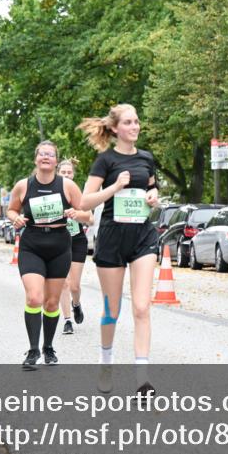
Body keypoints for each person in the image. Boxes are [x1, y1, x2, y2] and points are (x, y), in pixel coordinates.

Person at [78, 104, 160, 395]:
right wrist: (114, 188)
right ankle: (106, 362)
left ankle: (142, 378)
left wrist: (153, 197)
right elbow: (85, 202)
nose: (135, 127)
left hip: (142, 235)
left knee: (141, 306)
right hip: (112, 236)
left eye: (137, 121)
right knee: (112, 309)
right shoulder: (105, 161)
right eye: (128, 122)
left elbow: (152, 189)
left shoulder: (147, 158)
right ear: (115, 129)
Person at [6, 141, 83, 369]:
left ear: (56, 161)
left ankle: (48, 347)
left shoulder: (68, 186)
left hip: (59, 246)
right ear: (36, 159)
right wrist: (14, 218)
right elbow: (12, 209)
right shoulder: (23, 185)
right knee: (34, 298)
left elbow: (86, 213)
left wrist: (75, 213)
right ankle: (33, 351)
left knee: (51, 303)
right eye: (42, 154)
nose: (46, 157)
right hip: (32, 245)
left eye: (50, 154)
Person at [57, 158, 92, 335]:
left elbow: (90, 219)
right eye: (63, 172)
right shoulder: (53, 194)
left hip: (77, 240)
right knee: (64, 283)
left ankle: (76, 304)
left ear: (73, 174)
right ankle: (67, 320)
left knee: (75, 286)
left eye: (69, 172)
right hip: (58, 242)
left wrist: (76, 214)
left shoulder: (79, 194)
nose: (66, 175)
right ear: (58, 174)